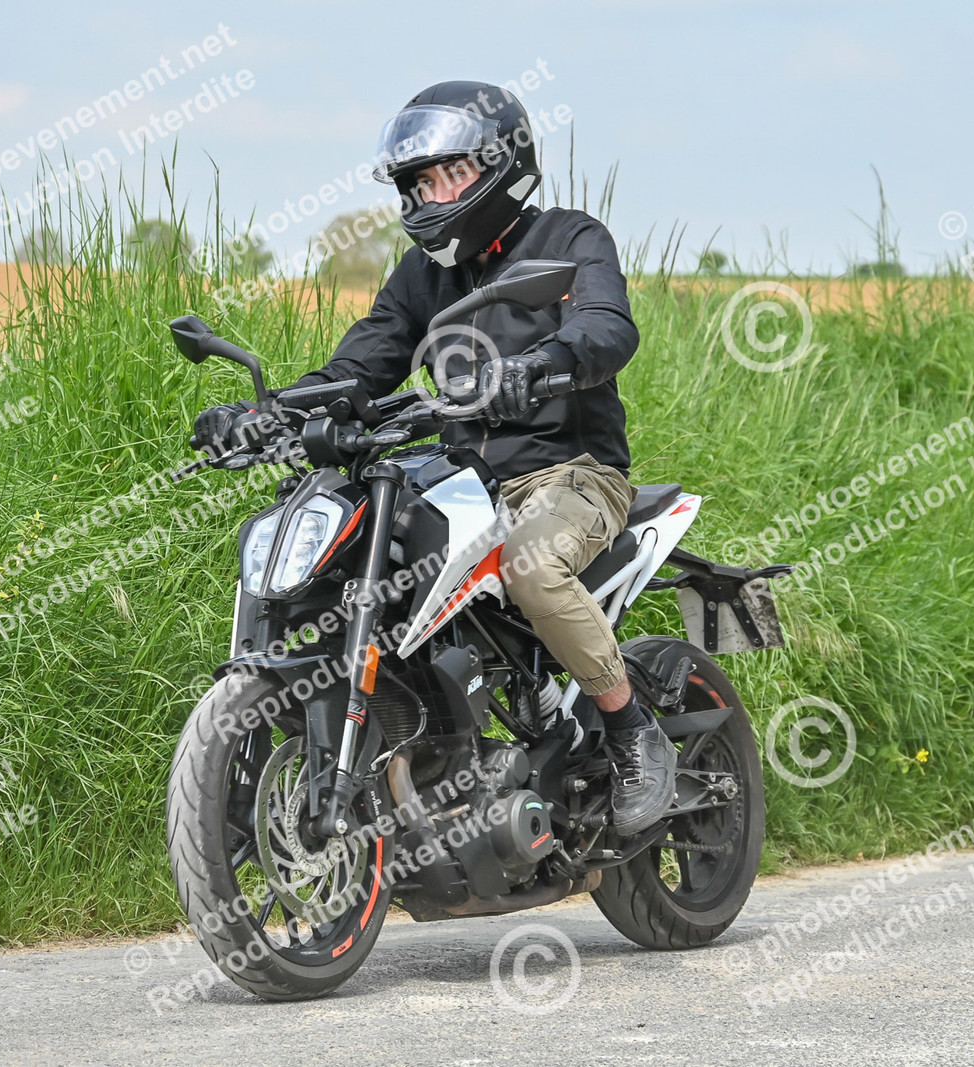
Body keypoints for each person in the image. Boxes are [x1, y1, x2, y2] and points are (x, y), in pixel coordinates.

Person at [192, 80, 675, 836]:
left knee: (532, 567)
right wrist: (268, 414)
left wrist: (542, 365)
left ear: (500, 166)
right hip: (465, 488)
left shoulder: (569, 239)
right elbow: (361, 366)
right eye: (418, 182)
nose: (430, 195)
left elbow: (607, 328)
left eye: (449, 175)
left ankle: (631, 728)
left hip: (570, 474)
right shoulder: (422, 276)